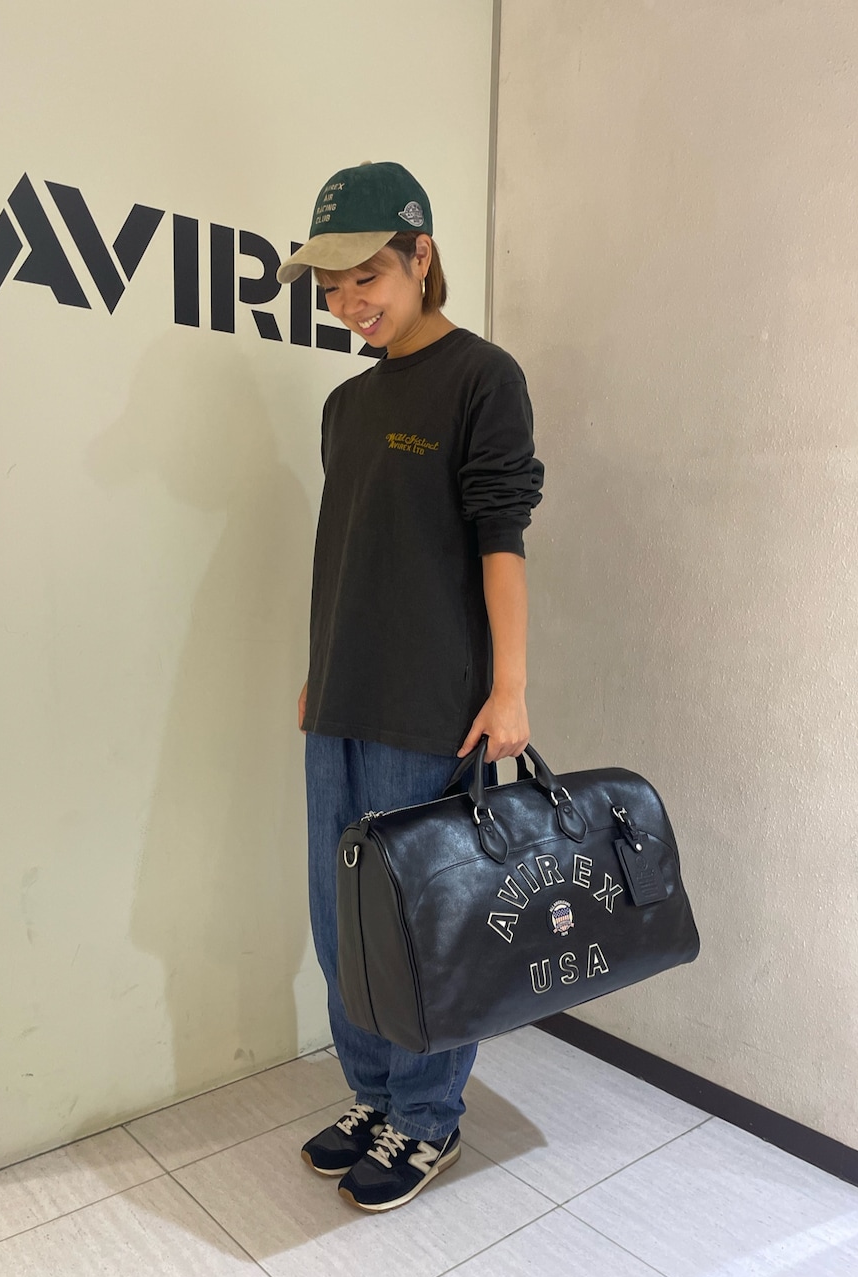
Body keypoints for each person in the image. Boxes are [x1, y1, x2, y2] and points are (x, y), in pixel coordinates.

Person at [275, 161, 544, 1212]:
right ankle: (374, 1094)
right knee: (339, 917)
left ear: (421, 254)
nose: (349, 303)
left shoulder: (483, 378)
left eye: (367, 277)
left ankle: (427, 1117)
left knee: (421, 924)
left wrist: (510, 688)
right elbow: (351, 552)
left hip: (431, 706)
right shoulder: (345, 403)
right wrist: (319, 672)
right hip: (341, 700)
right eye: (331, 287)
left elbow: (500, 541)